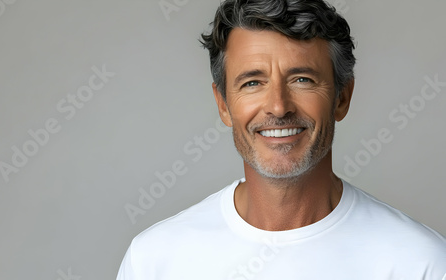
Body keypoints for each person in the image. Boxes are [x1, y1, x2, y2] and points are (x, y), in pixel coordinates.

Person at [117, 0, 446, 279]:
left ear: (342, 97)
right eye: (252, 83)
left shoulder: (420, 263)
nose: (278, 107)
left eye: (302, 79)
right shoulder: (154, 261)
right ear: (223, 104)